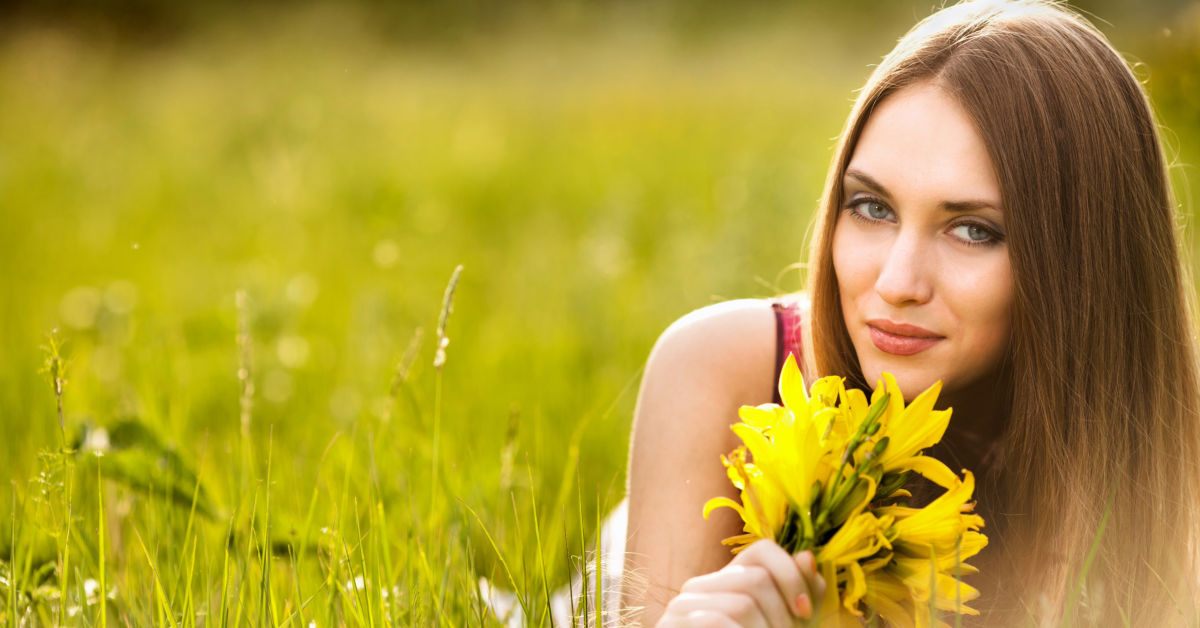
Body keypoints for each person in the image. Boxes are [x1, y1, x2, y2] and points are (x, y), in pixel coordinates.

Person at [621, 0, 1200, 625]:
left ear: (1083, 263)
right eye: (872, 207)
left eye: (974, 230)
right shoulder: (726, 370)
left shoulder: (1170, 477)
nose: (897, 283)